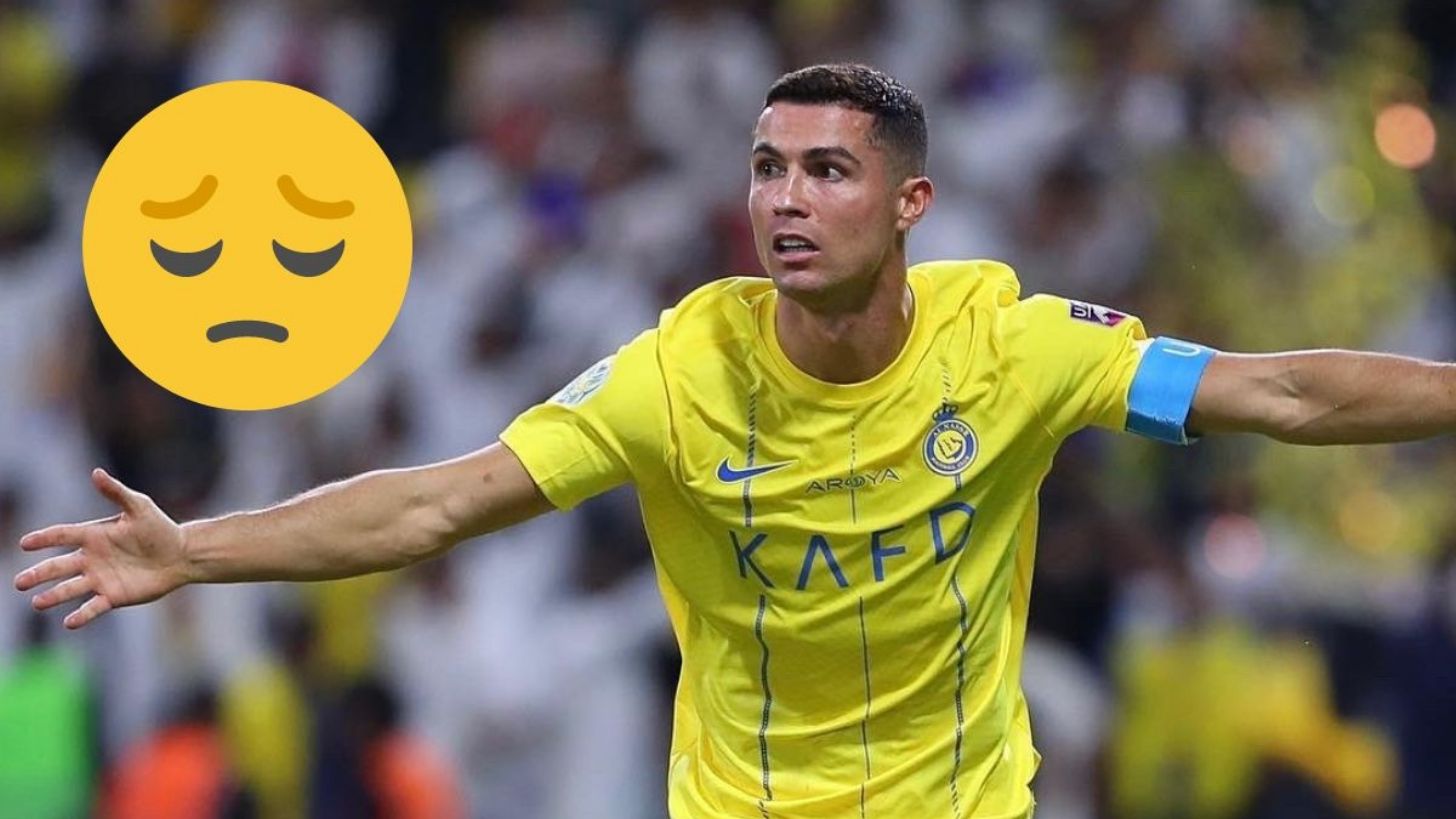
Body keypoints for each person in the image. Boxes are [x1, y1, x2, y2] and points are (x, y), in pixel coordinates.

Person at [13, 63, 1456, 818]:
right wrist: (196, 554)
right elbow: (439, 505)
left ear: (910, 204)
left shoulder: (1018, 347)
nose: (785, 200)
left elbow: (1285, 392)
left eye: (827, 170)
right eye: (768, 168)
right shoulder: (676, 373)